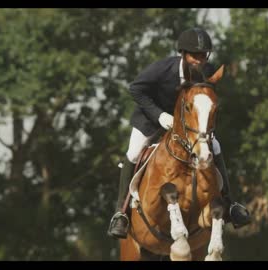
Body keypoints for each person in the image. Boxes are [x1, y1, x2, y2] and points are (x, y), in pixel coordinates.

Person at [107, 27, 251, 239]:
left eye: (204, 55)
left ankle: (229, 203)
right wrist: (159, 116)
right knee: (134, 152)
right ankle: (121, 212)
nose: (200, 60)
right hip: (152, 120)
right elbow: (136, 89)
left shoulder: (207, 71)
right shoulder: (164, 69)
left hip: (188, 126)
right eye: (195, 55)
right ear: (183, 54)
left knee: (216, 146)